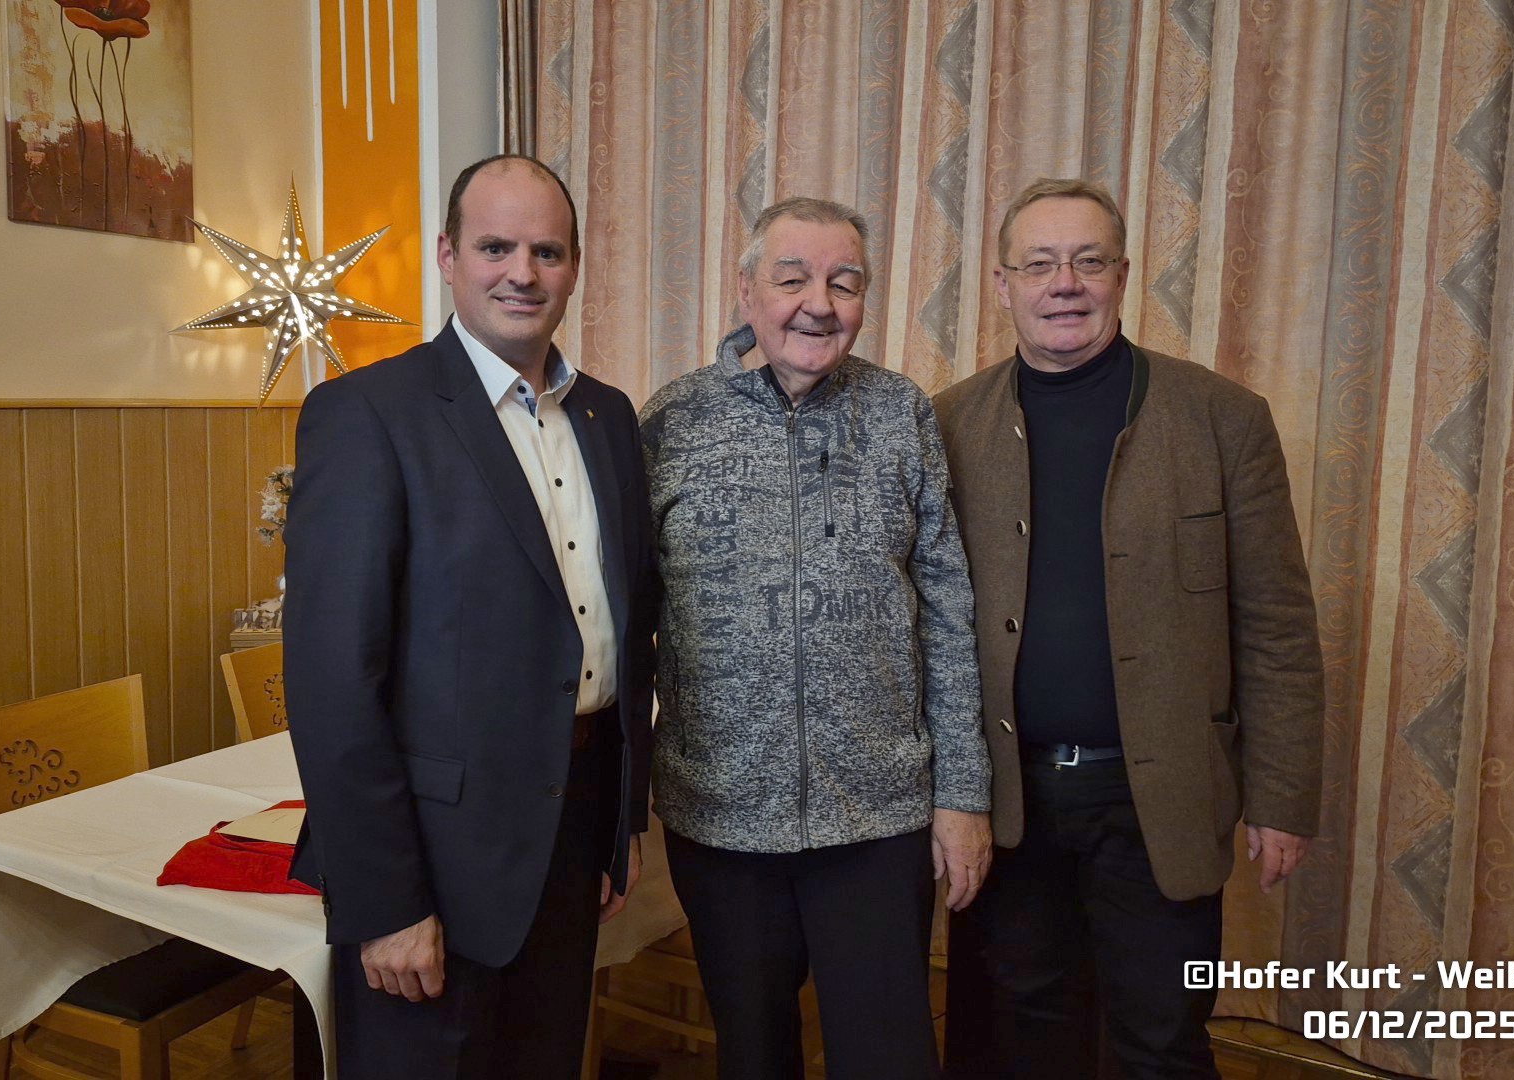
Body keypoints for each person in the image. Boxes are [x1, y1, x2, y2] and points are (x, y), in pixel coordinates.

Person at [933, 178, 1324, 1079]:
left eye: (1088, 261)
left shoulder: (1224, 419)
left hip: (1160, 797)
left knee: (1162, 1039)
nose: (1064, 284)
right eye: (1039, 264)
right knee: (1027, 1035)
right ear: (1002, 285)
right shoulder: (948, 424)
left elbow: (1277, 627)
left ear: (1122, 275)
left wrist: (1281, 797)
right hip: (1009, 799)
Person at [281, 154, 656, 1079]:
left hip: (571, 836)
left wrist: (618, 828)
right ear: (448, 257)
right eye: (495, 248)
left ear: (574, 266)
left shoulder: (609, 417)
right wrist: (384, 901)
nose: (521, 273)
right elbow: (333, 684)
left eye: (546, 252)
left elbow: (629, 631)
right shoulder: (367, 413)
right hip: (430, 863)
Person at [639, 196, 992, 1080]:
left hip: (879, 815)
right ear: (747, 289)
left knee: (890, 1058)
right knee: (753, 1057)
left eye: (845, 283)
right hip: (720, 816)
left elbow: (949, 610)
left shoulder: (901, 412)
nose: (819, 305)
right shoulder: (674, 421)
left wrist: (963, 793)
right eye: (793, 278)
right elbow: (622, 613)